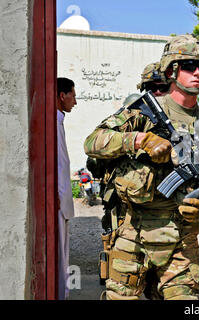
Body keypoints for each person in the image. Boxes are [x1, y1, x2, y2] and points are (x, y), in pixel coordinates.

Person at [84, 34, 199, 300]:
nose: (197, 73)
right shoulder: (142, 113)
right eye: (189, 65)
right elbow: (93, 141)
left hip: (181, 242)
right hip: (131, 234)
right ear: (171, 69)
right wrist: (138, 139)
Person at [56, 77, 77, 300]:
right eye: (73, 95)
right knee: (60, 260)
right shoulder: (53, 123)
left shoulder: (58, 121)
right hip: (58, 204)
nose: (75, 101)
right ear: (62, 96)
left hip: (61, 203)